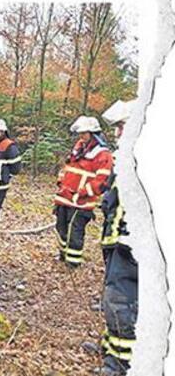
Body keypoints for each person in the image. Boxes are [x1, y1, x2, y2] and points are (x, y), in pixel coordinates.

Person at [99, 100, 137, 375]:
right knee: (114, 297)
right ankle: (111, 348)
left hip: (133, 246)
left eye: (122, 126)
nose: (117, 133)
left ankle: (122, 362)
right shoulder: (129, 156)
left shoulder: (150, 158)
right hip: (118, 241)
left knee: (122, 301)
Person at [54, 116, 113, 267]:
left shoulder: (103, 154)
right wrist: (61, 181)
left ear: (93, 133)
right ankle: (63, 254)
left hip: (81, 201)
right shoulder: (79, 147)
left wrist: (84, 191)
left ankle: (73, 263)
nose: (81, 136)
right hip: (65, 196)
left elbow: (102, 180)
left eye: (84, 133)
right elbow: (69, 167)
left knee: (75, 231)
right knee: (61, 226)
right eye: (80, 133)